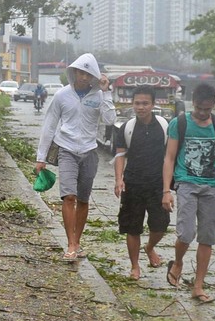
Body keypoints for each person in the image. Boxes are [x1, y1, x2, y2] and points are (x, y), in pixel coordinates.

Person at [160, 82, 215, 302]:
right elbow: (169, 158)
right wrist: (166, 190)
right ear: (192, 102)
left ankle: (198, 285)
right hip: (186, 183)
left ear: (214, 104)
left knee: (207, 238)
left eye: (208, 109)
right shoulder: (180, 123)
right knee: (185, 233)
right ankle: (177, 262)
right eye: (200, 108)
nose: (203, 113)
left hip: (211, 186)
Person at [35, 54, 114, 262]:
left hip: (89, 151)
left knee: (83, 199)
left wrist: (106, 93)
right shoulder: (62, 95)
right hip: (66, 149)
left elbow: (110, 120)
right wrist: (40, 157)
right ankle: (69, 243)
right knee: (68, 196)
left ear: (93, 76)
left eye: (88, 74)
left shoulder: (99, 96)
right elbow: (50, 125)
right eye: (80, 72)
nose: (83, 77)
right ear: (74, 73)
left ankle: (77, 242)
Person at [112, 86, 169, 280]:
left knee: (160, 226)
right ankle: (135, 266)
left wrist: (168, 188)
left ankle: (150, 247)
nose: (141, 107)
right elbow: (120, 154)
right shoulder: (127, 128)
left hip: (158, 184)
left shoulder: (164, 127)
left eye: (145, 103)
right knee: (132, 227)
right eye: (137, 103)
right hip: (133, 183)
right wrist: (119, 179)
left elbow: (171, 156)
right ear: (132, 104)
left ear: (153, 104)